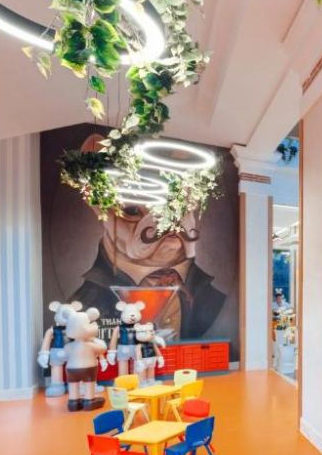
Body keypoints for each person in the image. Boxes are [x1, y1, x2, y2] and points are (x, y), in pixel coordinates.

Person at [68, 134, 227, 344]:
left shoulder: (218, 302)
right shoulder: (86, 304)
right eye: (133, 211)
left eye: (180, 207)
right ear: (98, 207)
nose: (166, 221)